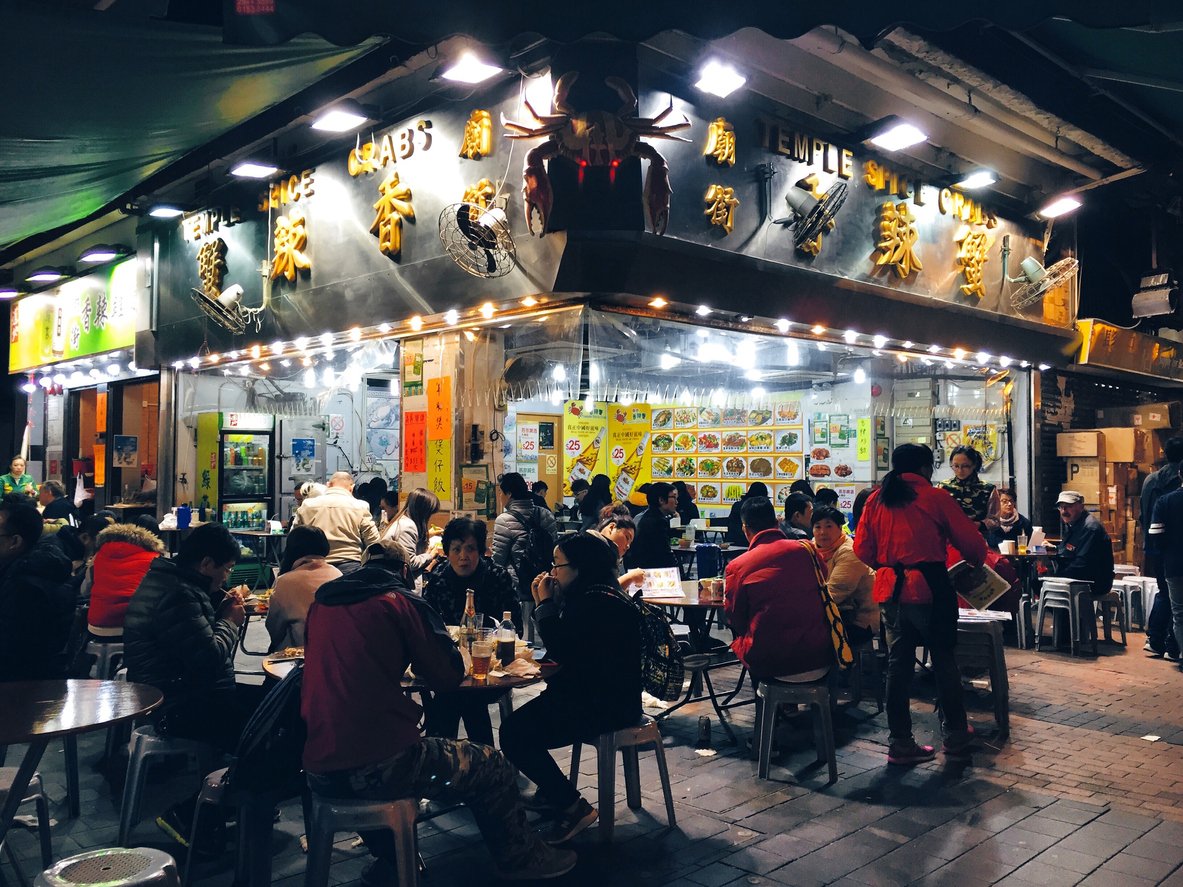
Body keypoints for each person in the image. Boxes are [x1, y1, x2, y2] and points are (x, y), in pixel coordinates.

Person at [301, 539, 577, 883]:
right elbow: (445, 675)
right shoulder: (400, 602)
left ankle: (393, 860)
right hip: (380, 764)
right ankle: (521, 858)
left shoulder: (323, 603)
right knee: (492, 764)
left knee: (424, 747)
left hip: (316, 767)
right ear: (404, 571)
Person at [123, 522, 260, 843]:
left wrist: (217, 605)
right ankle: (193, 812)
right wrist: (229, 621)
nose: (227, 577)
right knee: (262, 732)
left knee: (266, 707)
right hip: (175, 704)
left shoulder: (173, 582)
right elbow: (208, 657)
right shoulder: (177, 595)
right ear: (206, 564)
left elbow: (190, 641)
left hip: (180, 692)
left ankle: (226, 801)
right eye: (225, 569)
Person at [500, 533, 641, 843]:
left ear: (579, 567)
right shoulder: (601, 593)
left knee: (513, 733)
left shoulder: (596, 602)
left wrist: (545, 603)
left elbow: (563, 649)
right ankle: (553, 793)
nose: (553, 572)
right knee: (523, 726)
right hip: (602, 696)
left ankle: (572, 806)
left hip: (603, 706)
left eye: (557, 564)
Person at [854, 443, 987, 765]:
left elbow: (861, 549)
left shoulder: (877, 499)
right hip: (929, 590)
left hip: (891, 593)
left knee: (898, 668)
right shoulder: (936, 497)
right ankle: (955, 735)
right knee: (944, 662)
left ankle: (900, 742)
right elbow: (973, 546)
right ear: (926, 468)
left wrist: (888, 565)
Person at [421, 517, 517, 745]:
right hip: (449, 667)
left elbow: (514, 626)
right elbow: (425, 628)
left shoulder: (497, 577)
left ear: (482, 551)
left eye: (470, 548)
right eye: (456, 549)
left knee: (455, 697)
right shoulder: (436, 581)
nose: (463, 556)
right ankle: (482, 762)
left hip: (492, 670)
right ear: (446, 552)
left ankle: (442, 763)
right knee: (458, 694)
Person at [724, 497, 833, 685]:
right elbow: (824, 579)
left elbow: (735, 617)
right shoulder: (808, 549)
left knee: (742, 641)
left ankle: (767, 707)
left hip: (772, 661)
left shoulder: (738, 566)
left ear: (745, 529)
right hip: (820, 654)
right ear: (777, 523)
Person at [0, 497, 76, 680]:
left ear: (15, 542)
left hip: (25, 692)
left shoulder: (26, 588)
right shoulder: (21, 572)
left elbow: (14, 651)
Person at [491, 473, 557, 642]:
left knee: (522, 638)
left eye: (501, 492)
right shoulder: (546, 515)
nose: (500, 497)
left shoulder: (504, 520)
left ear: (509, 494)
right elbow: (554, 549)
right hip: (544, 583)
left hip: (518, 585)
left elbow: (498, 560)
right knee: (544, 634)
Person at [265, 525, 341, 652]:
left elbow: (274, 629)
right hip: (337, 650)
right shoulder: (338, 575)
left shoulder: (285, 581)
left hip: (302, 654)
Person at [811, 505, 877, 646]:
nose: (822, 532)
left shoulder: (849, 552)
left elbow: (835, 594)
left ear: (840, 528)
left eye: (829, 526)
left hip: (858, 620)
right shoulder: (813, 548)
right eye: (817, 527)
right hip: (830, 614)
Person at [1142, 437, 1183, 660]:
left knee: (1165, 593)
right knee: (1173, 598)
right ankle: (1165, 642)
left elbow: (1143, 514)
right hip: (1172, 549)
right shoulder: (1176, 484)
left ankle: (1159, 640)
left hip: (1154, 545)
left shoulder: (1150, 481)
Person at [87, 521, 165, 640]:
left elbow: (85, 589)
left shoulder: (99, 554)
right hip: (138, 624)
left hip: (99, 624)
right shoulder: (155, 559)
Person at [292, 471, 380, 567]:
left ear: (328, 485)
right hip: (350, 565)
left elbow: (294, 537)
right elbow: (373, 541)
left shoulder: (307, 505)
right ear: (352, 488)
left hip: (315, 566)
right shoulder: (361, 506)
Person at [1052, 490, 1113, 600]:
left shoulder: (1090, 528)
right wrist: (1054, 549)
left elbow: (1082, 563)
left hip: (1093, 581)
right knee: (1038, 583)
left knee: (1043, 585)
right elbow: (1068, 550)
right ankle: (1070, 615)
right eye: (1061, 507)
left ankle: (1075, 616)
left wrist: (1058, 577)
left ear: (1081, 507)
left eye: (1068, 506)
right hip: (1080, 576)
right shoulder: (1073, 524)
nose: (1063, 511)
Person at [938, 445, 1001, 537]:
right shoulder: (943, 487)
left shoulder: (988, 489)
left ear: (974, 465)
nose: (960, 470)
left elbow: (995, 521)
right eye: (956, 466)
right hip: (948, 540)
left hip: (977, 538)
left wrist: (978, 524)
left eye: (965, 466)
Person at [385, 488, 443, 576]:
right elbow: (409, 563)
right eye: (429, 514)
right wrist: (430, 555)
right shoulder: (407, 527)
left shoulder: (403, 520)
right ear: (423, 512)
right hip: (400, 584)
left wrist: (427, 534)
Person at [623, 482, 679, 571]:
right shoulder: (657, 521)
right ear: (661, 500)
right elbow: (665, 554)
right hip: (648, 572)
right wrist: (678, 574)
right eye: (673, 497)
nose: (677, 502)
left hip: (634, 567)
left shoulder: (644, 515)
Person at [595, 513, 645, 589]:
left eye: (630, 543)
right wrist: (630, 577)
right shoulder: (592, 548)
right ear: (612, 527)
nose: (628, 546)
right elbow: (603, 591)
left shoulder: (608, 554)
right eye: (627, 537)